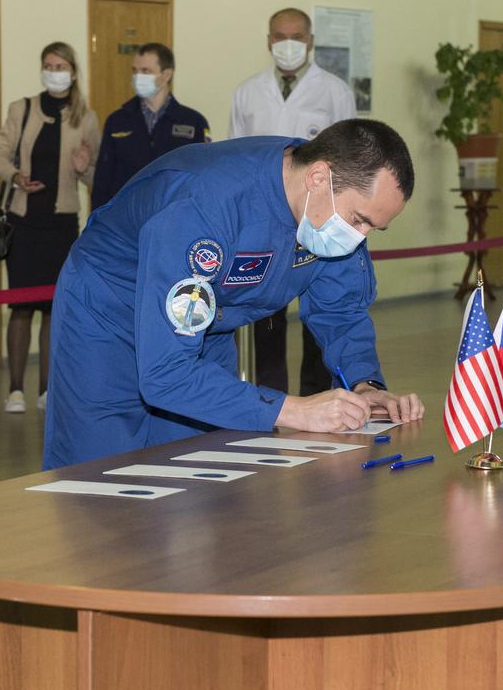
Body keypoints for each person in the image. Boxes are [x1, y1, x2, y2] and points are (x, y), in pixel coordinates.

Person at [42, 120, 426, 469]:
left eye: (372, 228)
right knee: (98, 471)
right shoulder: (207, 204)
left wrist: (364, 385)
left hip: (207, 321)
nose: (359, 238)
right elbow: (166, 373)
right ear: (317, 177)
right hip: (109, 316)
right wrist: (295, 410)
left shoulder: (330, 218)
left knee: (198, 468)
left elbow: (341, 310)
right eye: (359, 220)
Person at [229, 7, 358, 398]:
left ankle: (318, 397)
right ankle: (271, 398)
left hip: (320, 217)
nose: (288, 44)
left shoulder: (335, 92)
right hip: (263, 221)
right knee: (266, 315)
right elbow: (236, 159)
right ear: (268, 41)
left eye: (297, 36)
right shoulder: (247, 92)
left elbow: (350, 160)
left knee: (319, 311)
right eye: (280, 36)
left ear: (311, 41)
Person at [0, 42, 99, 413]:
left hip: (62, 223)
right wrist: (15, 176)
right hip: (23, 220)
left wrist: (84, 167)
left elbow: (97, 178)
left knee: (54, 307)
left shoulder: (86, 118)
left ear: (73, 71)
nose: (54, 72)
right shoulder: (22, 108)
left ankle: (48, 389)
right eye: (48, 65)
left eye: (60, 66)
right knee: (21, 307)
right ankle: (15, 389)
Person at [91, 42, 206, 209]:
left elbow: (202, 177)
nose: (138, 76)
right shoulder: (117, 121)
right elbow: (102, 180)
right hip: (126, 215)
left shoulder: (193, 122)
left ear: (166, 75)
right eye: (135, 71)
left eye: (145, 71)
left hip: (173, 214)